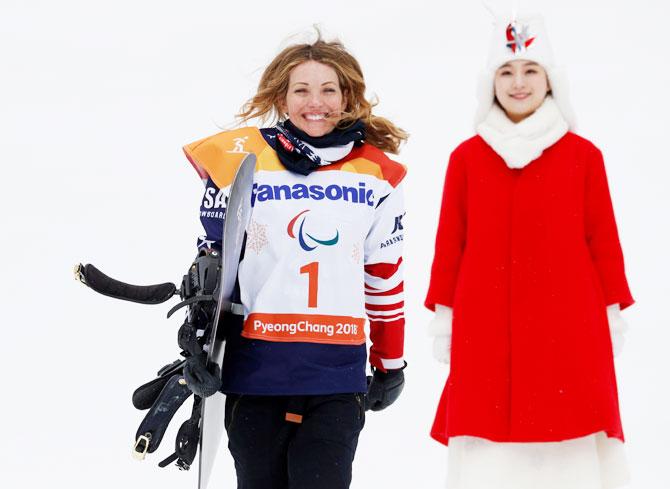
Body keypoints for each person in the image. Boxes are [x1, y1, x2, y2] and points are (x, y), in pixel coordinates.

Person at [183, 35, 408, 489]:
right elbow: (212, 267)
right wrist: (197, 342)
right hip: (255, 373)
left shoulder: (378, 173)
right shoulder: (242, 159)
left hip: (335, 377)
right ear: (281, 97)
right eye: (301, 89)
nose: (315, 102)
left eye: (328, 89)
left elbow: (383, 275)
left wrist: (391, 360)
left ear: (347, 96)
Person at [425, 14, 634, 489]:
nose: (518, 83)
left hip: (571, 328)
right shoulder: (466, 158)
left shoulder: (584, 157)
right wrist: (445, 315)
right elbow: (450, 243)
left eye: (530, 70)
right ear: (490, 84)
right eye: (506, 72)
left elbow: (603, 240)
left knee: (570, 434)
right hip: (485, 327)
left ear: (550, 80)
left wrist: (611, 310)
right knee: (488, 443)